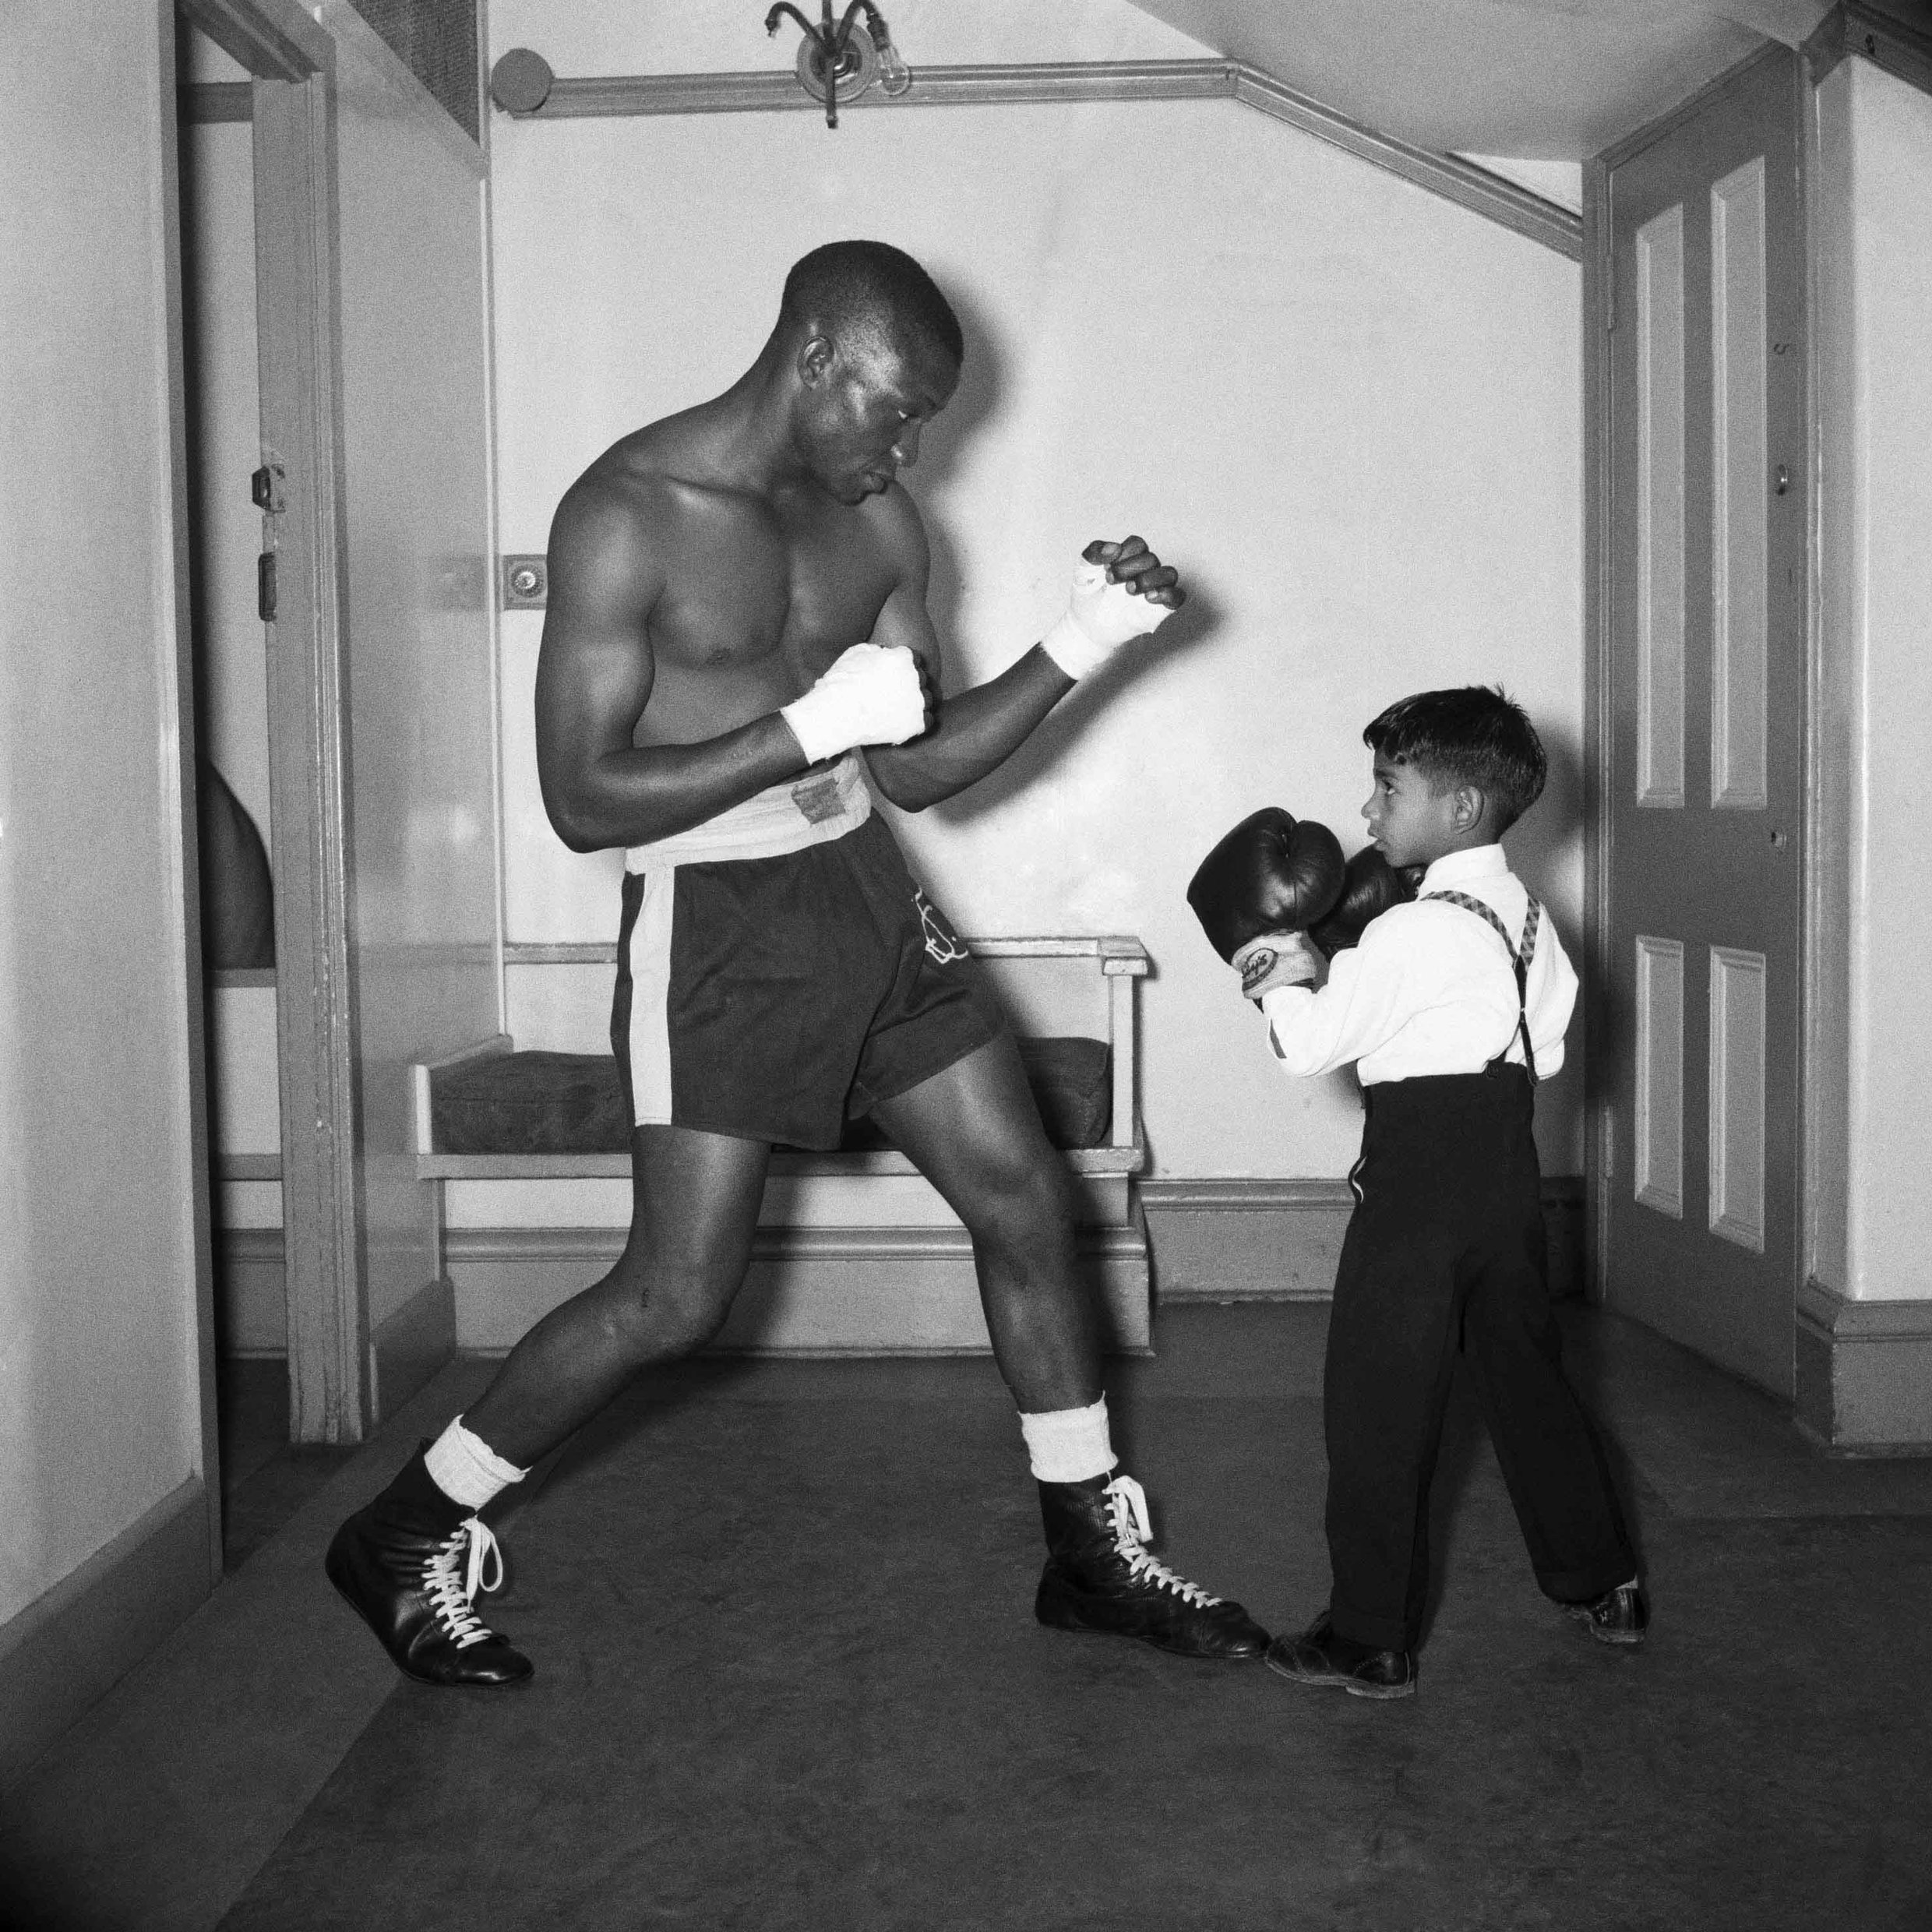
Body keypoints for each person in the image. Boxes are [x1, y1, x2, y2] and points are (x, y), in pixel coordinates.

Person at [326, 239, 1268, 1687]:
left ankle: (1089, 1548)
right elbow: (580, 798)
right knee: (673, 1293)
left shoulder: (881, 526)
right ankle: (404, 1528)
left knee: (1027, 1201)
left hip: (866, 895)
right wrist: (795, 733)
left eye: (923, 426)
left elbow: (921, 771)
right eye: (892, 411)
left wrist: (1087, 641)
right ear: (816, 353)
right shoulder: (627, 514)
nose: (905, 449)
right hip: (716, 918)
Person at [1193, 686, 1643, 1700]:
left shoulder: (1410, 932)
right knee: (1530, 1385)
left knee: (1376, 1411)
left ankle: (1367, 1637)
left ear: (1462, 810)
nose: (1368, 813)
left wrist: (1271, 957)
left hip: (1417, 1198)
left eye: (1388, 788)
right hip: (1508, 1187)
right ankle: (1604, 1582)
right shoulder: (1529, 917)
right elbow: (1554, 1037)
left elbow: (1308, 1042)